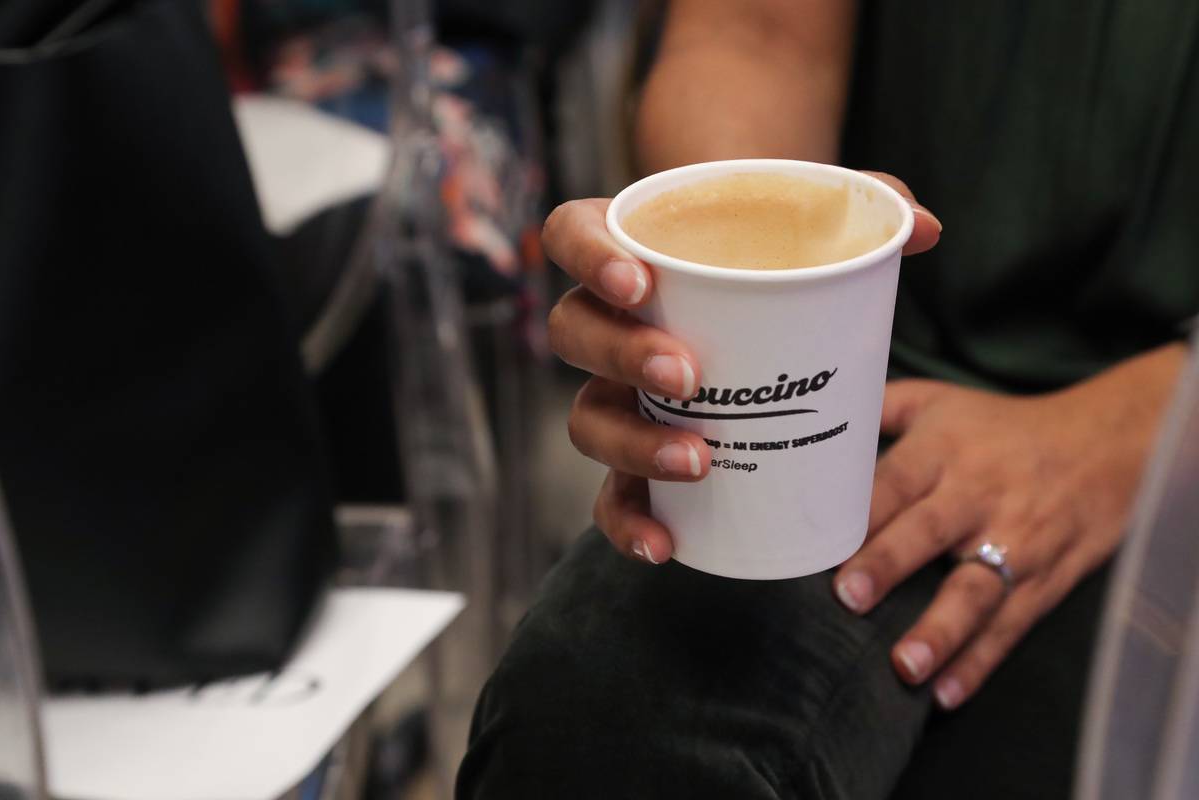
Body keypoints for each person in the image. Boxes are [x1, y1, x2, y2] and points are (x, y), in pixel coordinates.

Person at [458, 1, 1199, 797]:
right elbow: (754, 34)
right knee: (588, 725)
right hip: (864, 376)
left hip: (1165, 414)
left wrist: (1141, 425)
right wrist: (722, 304)